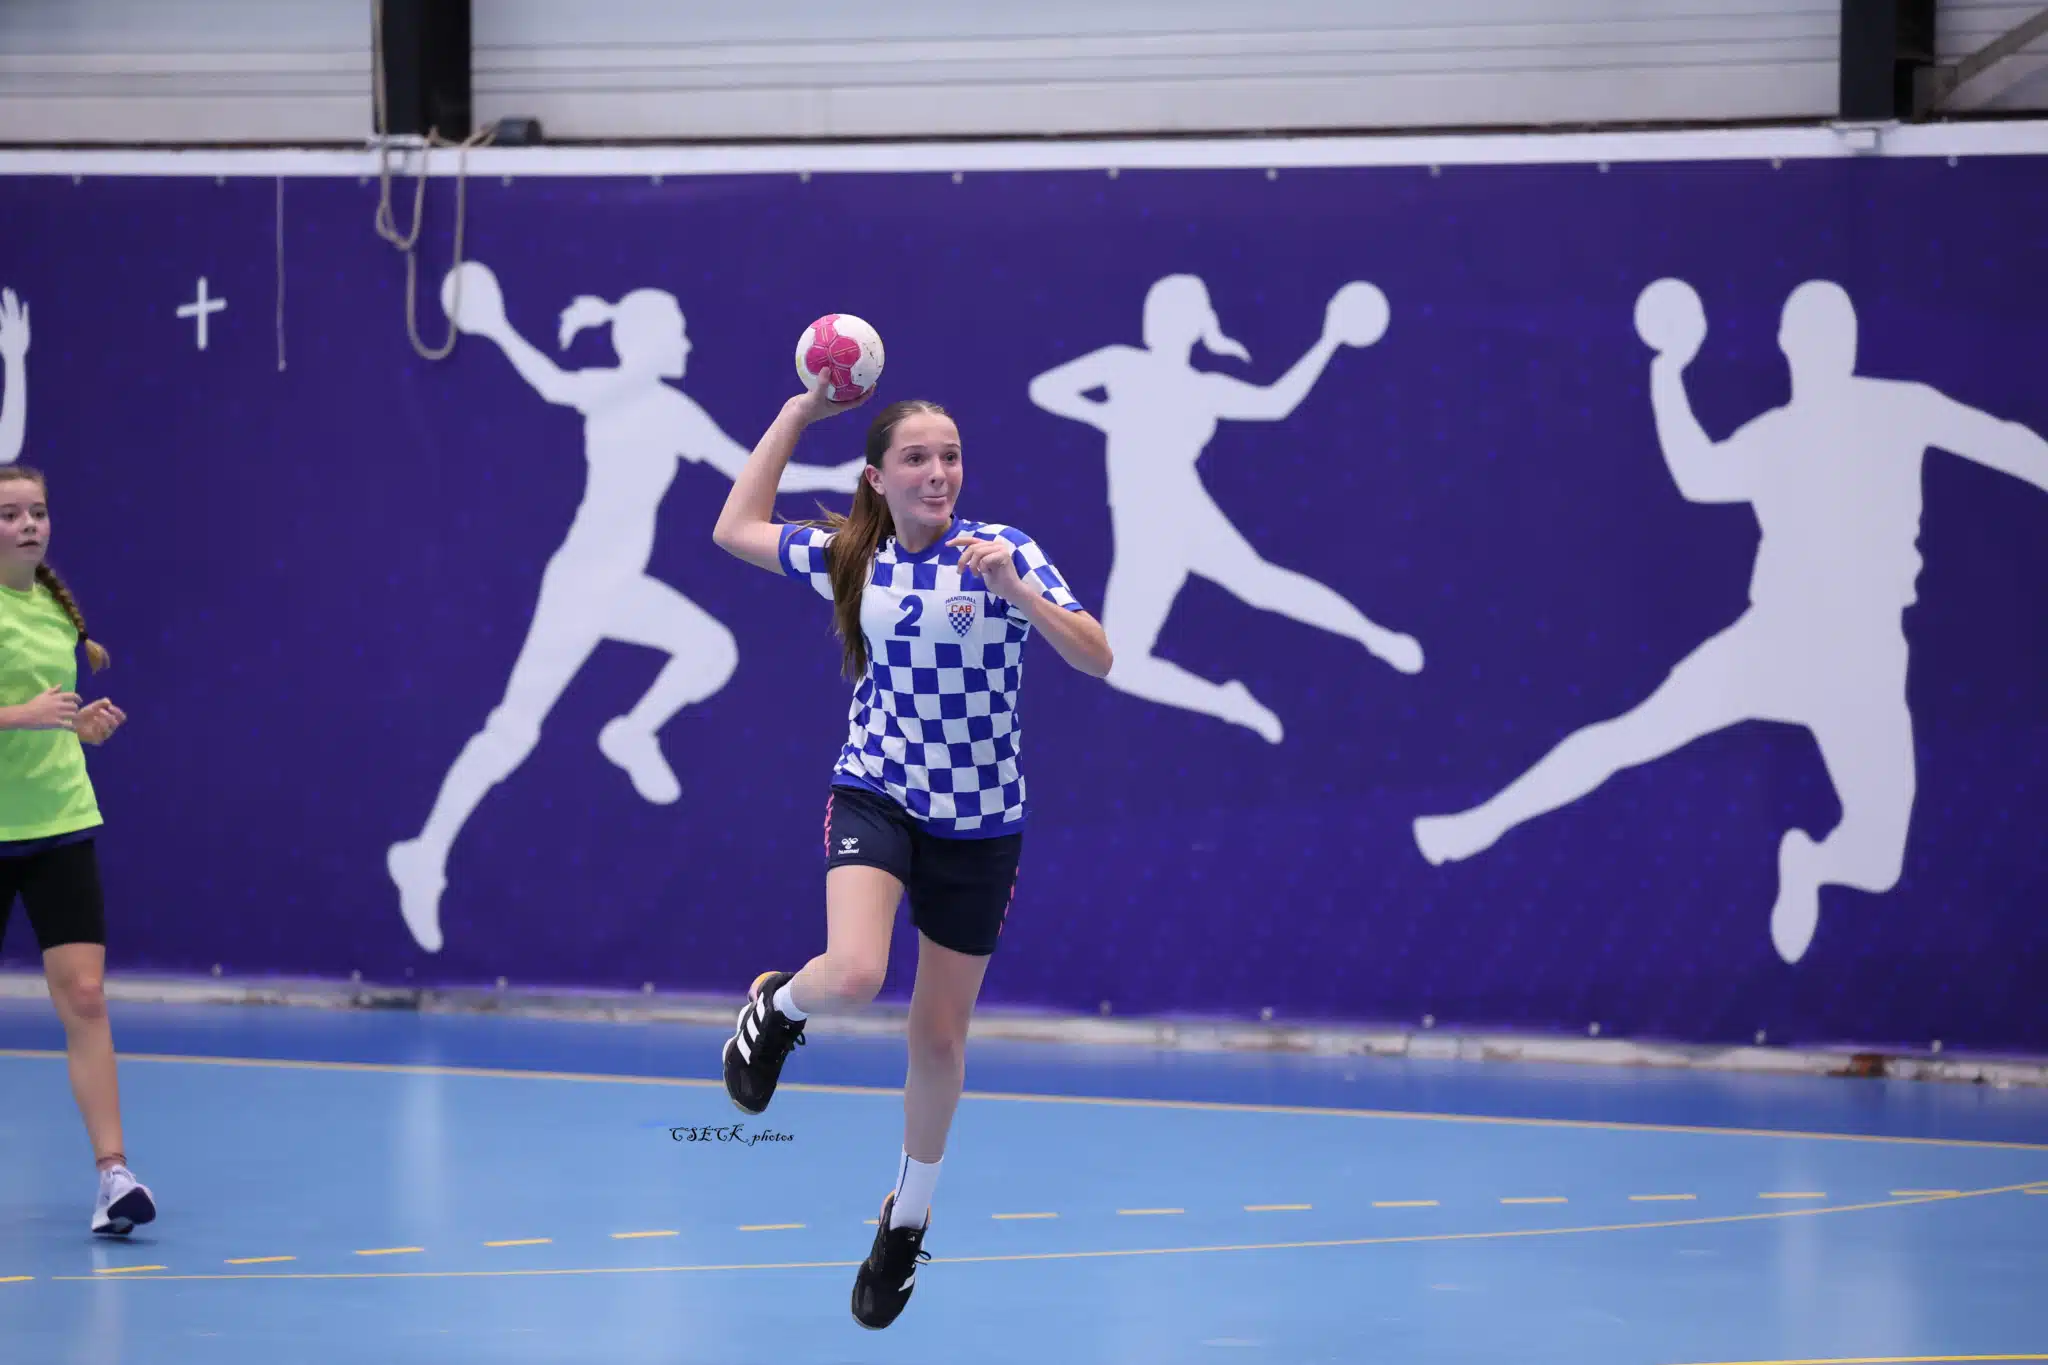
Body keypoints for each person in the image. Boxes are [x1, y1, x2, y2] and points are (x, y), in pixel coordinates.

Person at [1413, 278, 2048, 963]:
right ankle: (1476, 824)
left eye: (1835, 331)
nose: (1827, 344)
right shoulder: (1777, 434)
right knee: (1630, 735)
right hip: (1777, 640)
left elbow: (2004, 441)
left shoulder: (1895, 409)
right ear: (1789, 344)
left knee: (1879, 859)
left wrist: (1668, 374)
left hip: (1858, 654)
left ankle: (1809, 863)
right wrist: (1666, 374)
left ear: (1846, 344)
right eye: (1814, 331)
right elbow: (1698, 477)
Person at [710, 381, 1112, 1329]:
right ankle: (779, 1007)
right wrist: (797, 414)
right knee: (855, 973)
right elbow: (735, 527)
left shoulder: (1003, 553)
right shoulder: (855, 560)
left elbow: (1097, 655)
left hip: (981, 824)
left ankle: (905, 1221)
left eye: (951, 456)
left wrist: (1018, 592)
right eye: (917, 459)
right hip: (879, 794)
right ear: (877, 478)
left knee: (937, 1039)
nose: (939, 473)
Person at [387, 262, 864, 953]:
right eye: (677, 332)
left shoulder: (670, 409)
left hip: (621, 587)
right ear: (649, 339)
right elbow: (551, 383)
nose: (688, 344)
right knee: (513, 730)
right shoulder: (614, 394)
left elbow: (749, 468)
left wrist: (837, 474)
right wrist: (497, 328)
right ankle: (425, 852)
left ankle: (631, 732)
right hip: (580, 586)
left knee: (711, 650)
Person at [1027, 273, 1421, 744]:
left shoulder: (1205, 388)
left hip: (1182, 510)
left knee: (1261, 585)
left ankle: (1374, 636)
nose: (1158, 319)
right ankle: (1230, 702)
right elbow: (1046, 388)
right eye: (1157, 309)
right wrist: (1103, 416)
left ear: (1193, 325)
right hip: (1144, 529)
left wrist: (1329, 340)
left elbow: (1276, 403)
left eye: (1172, 312)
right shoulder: (1122, 364)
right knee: (1120, 664)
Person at [0, 464, 154, 1236]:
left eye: (37, 511)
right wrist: (20, 714)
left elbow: (49, 716)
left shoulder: (59, 612)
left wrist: (77, 726)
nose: (27, 524)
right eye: (9, 514)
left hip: (59, 821)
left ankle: (113, 1176)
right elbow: (25, 712)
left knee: (87, 997)